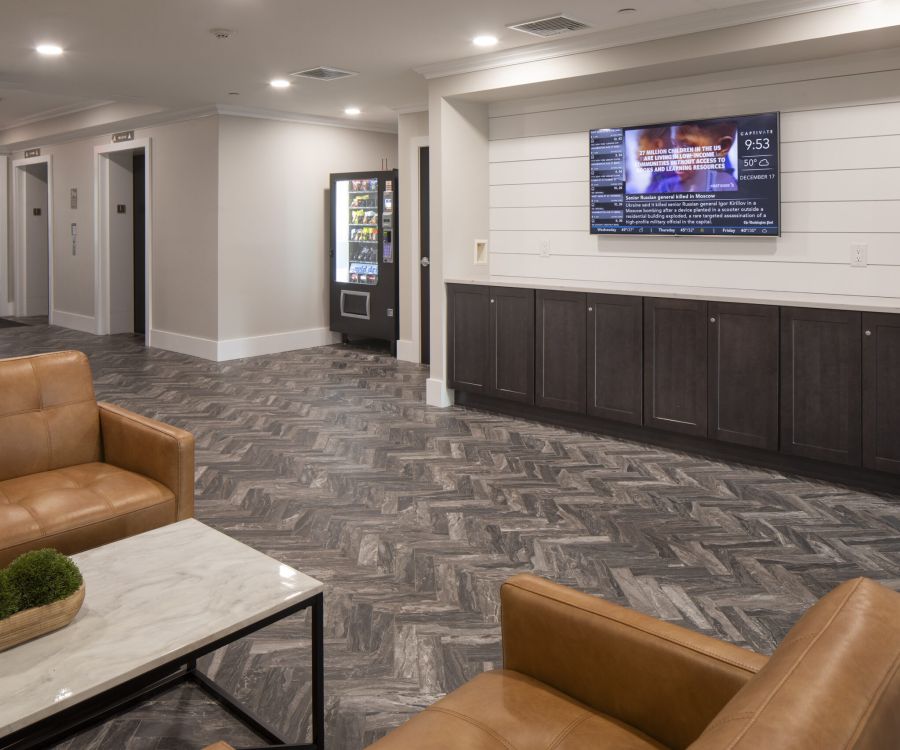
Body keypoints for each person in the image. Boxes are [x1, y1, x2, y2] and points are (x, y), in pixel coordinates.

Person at [655, 119, 739, 193]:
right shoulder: (666, 188)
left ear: (722, 147)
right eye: (674, 145)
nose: (676, 156)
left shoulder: (727, 186)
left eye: (687, 147)